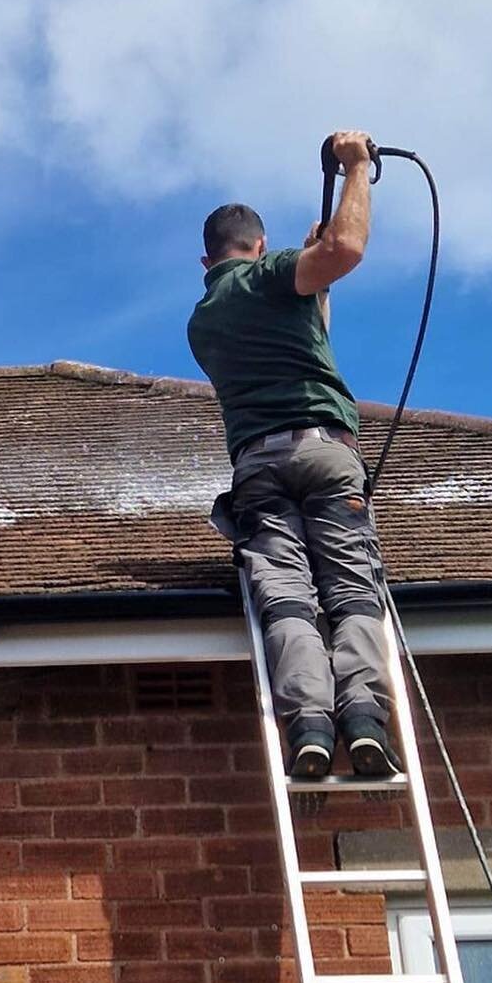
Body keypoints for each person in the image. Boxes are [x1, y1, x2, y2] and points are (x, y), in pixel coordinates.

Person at [187, 130, 395, 781]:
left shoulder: (202, 321)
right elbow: (348, 246)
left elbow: (302, 337)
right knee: (351, 589)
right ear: (259, 246)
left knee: (288, 600)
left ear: (205, 262)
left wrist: (311, 283)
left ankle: (307, 723)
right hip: (325, 453)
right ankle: (362, 716)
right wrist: (357, 167)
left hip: (258, 468)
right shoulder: (271, 275)